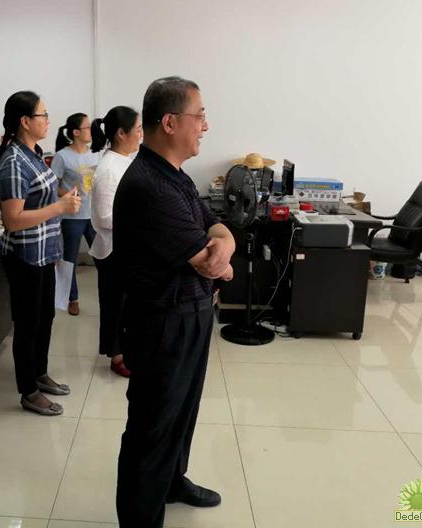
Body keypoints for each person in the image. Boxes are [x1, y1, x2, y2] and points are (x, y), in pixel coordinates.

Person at [113, 77, 236, 528]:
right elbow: (208, 262)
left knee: (183, 411)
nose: (205, 125)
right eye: (199, 115)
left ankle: (171, 481)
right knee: (153, 425)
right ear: (169, 122)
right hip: (163, 322)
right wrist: (221, 258)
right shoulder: (150, 186)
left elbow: (215, 226)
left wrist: (225, 244)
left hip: (191, 314)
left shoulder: (174, 176)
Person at [0, 91, 81, 416]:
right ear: (25, 121)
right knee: (28, 323)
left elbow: (40, 196)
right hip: (25, 255)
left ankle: (39, 373)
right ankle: (28, 390)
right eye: (43, 115)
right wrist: (59, 207)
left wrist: (62, 198)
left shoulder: (35, 154)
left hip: (44, 251)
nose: (48, 121)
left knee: (45, 317)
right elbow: (13, 220)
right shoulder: (14, 162)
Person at [89, 106, 142, 377]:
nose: (141, 135)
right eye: (138, 130)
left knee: (126, 305)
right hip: (112, 250)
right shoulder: (109, 168)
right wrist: (142, 219)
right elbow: (104, 216)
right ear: (121, 133)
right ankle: (117, 356)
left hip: (125, 247)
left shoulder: (124, 160)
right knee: (115, 305)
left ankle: (125, 349)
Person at [51, 113, 101, 316]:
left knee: (103, 257)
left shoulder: (96, 154)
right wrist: (70, 194)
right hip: (72, 217)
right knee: (69, 259)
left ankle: (109, 296)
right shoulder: (62, 156)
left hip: (93, 215)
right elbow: (53, 186)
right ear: (76, 132)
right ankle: (73, 298)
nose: (91, 131)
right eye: (87, 127)